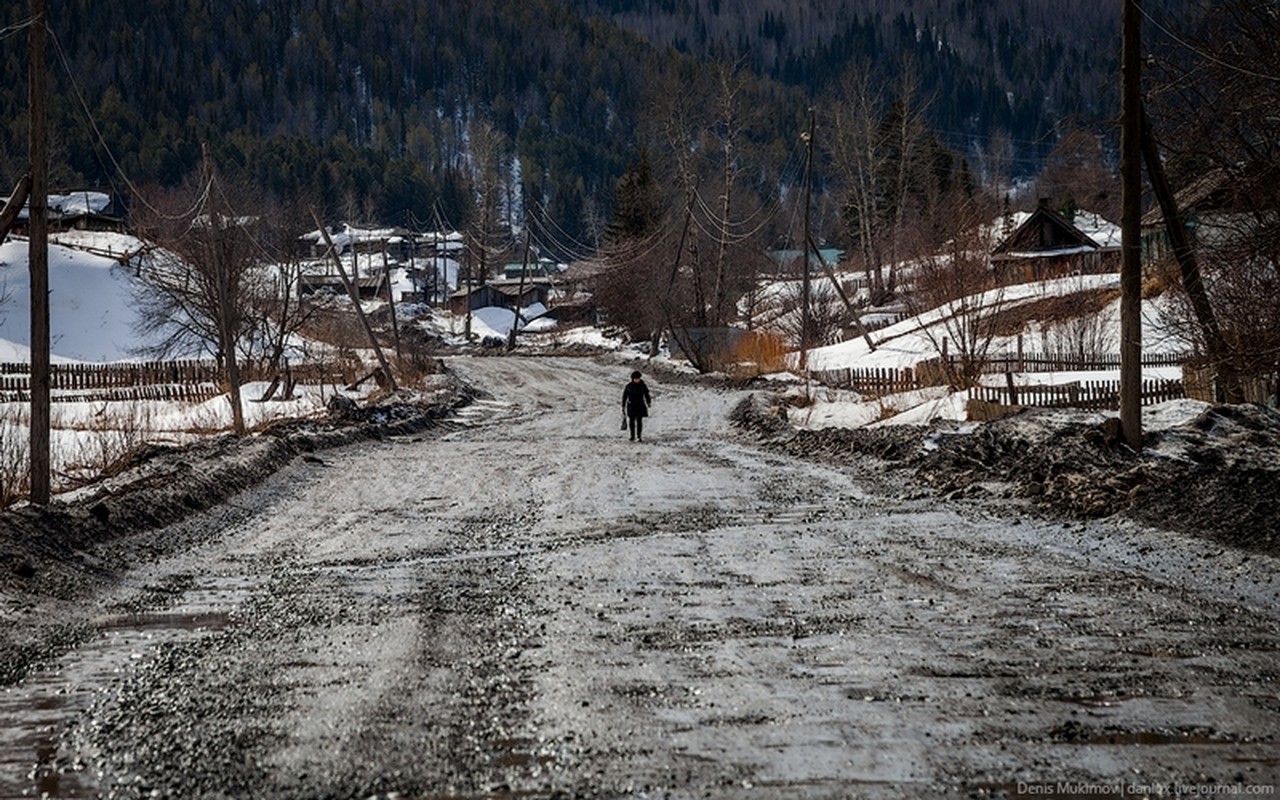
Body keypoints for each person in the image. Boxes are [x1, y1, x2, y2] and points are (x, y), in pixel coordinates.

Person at [621, 370, 651, 442]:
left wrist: (648, 402)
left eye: (638, 378)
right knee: (631, 422)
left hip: (640, 405)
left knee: (639, 421)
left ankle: (639, 436)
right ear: (633, 379)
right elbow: (625, 396)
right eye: (635, 378)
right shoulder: (629, 386)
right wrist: (623, 404)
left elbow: (646, 394)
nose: (637, 380)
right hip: (631, 405)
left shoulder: (643, 386)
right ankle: (632, 436)